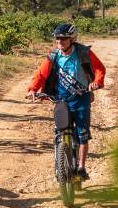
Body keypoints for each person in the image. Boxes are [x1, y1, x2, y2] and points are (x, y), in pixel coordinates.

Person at [25, 23, 106, 180]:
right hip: (61, 100)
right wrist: (32, 89)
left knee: (82, 133)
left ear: (72, 39)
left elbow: (99, 69)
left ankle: (81, 167)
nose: (60, 42)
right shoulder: (53, 57)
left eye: (63, 39)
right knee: (60, 130)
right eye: (57, 39)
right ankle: (61, 157)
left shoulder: (83, 53)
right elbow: (40, 75)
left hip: (81, 98)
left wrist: (96, 82)